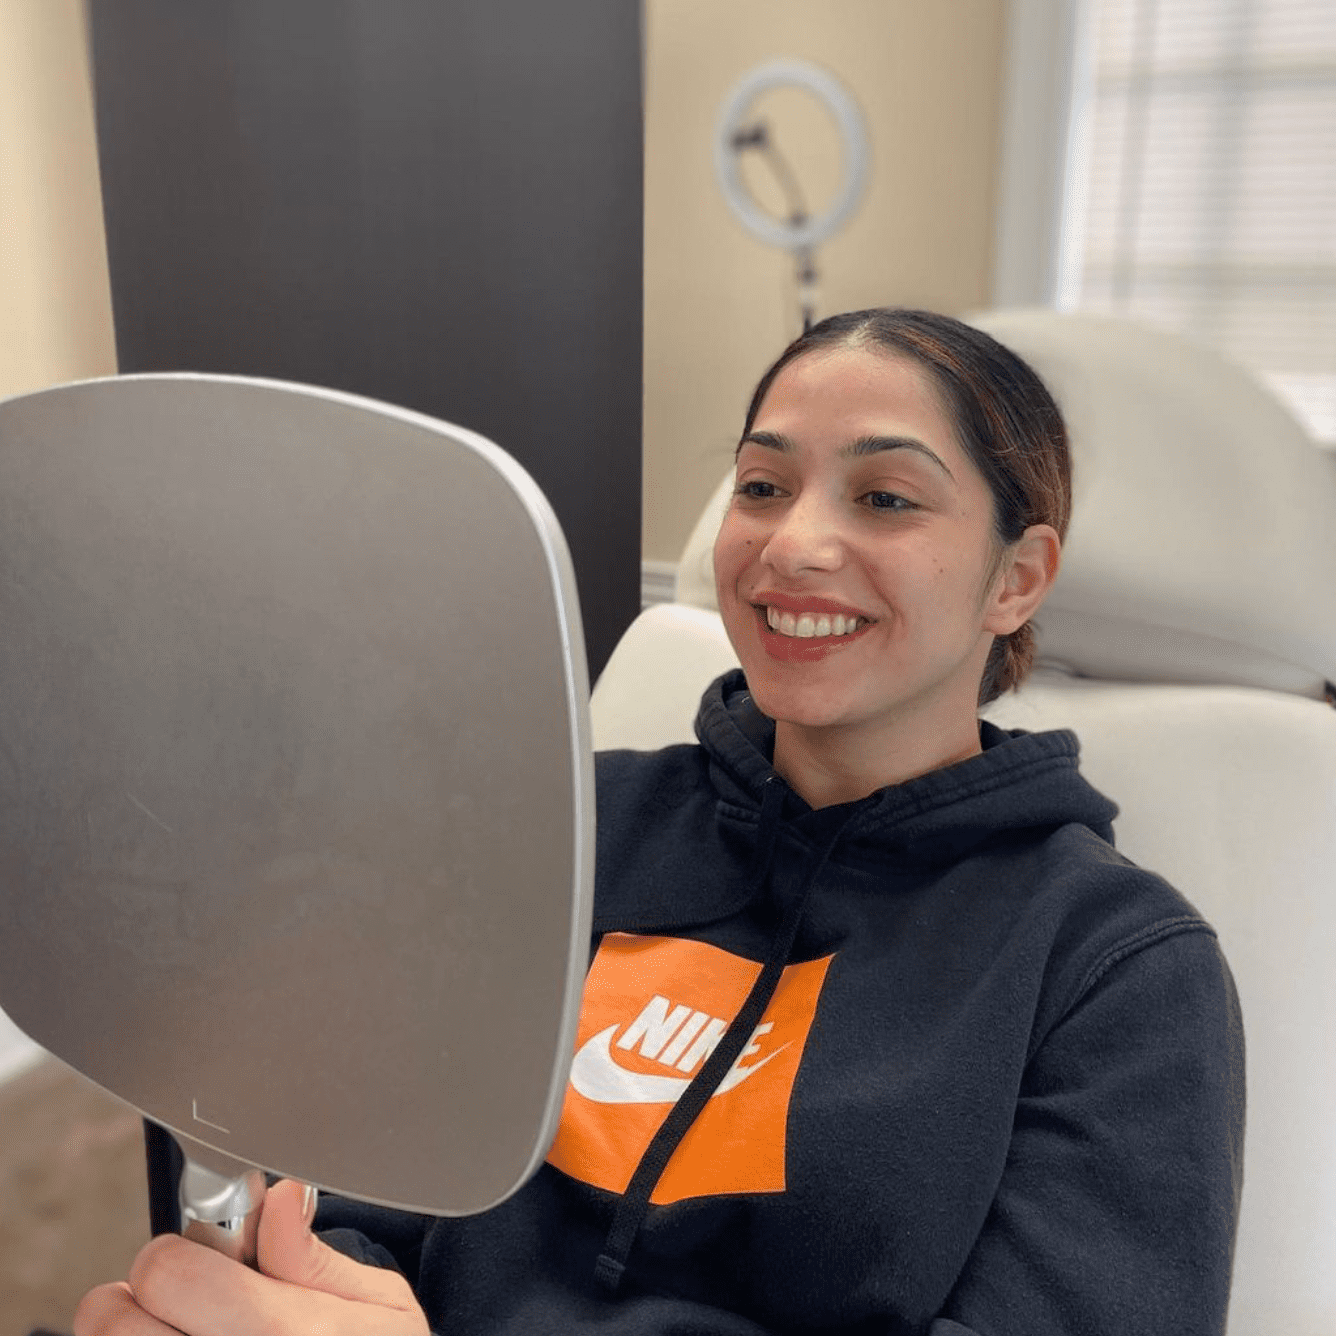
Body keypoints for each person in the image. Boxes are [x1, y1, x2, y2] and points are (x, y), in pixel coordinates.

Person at [74, 309, 1244, 1336]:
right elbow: (363, 1200)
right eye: (761, 485)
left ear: (1016, 577)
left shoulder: (1114, 972)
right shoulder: (571, 826)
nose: (792, 546)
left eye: (885, 497)